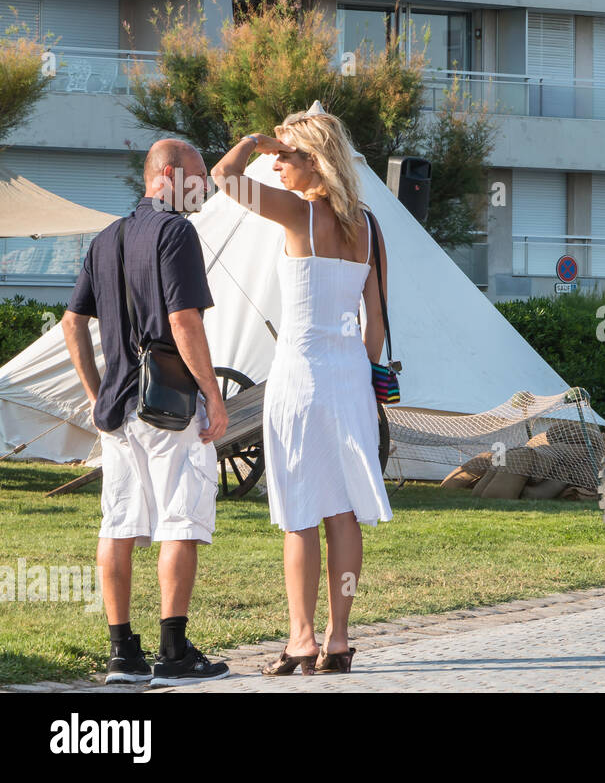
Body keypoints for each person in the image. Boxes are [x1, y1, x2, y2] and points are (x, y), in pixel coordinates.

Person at [212, 108, 393, 676]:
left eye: (283, 156)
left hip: (299, 377)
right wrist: (358, 372)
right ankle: (339, 640)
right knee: (343, 514)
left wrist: (250, 140)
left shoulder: (299, 213)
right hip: (350, 381)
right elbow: (377, 322)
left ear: (312, 159)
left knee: (298, 515)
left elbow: (222, 177)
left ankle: (301, 640)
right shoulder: (369, 226)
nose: (274, 166)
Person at [61, 138, 231, 687]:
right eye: (198, 175)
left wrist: (93, 392)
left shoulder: (105, 238)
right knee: (180, 518)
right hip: (169, 405)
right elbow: (184, 321)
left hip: (115, 408)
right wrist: (214, 392)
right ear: (171, 175)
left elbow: (71, 322)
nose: (203, 185)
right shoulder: (176, 231)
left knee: (119, 522)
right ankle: (174, 652)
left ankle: (121, 656)